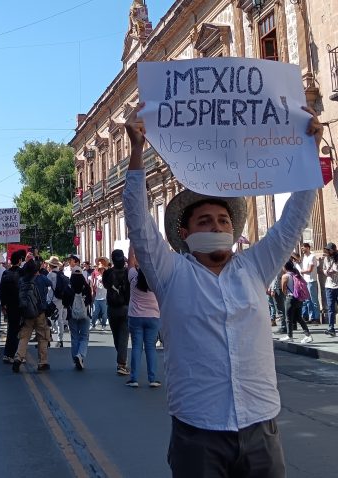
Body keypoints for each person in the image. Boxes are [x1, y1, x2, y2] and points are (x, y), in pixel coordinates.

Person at [124, 102, 323, 476]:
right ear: (185, 234)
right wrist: (136, 150)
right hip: (198, 431)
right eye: (205, 221)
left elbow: (293, 220)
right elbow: (137, 221)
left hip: (261, 426)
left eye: (222, 220)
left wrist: (308, 151)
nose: (216, 227)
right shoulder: (171, 274)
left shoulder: (254, 267)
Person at [125, 249, 161, 388]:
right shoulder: (155, 282)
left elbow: (130, 262)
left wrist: (132, 246)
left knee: (136, 347)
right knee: (150, 348)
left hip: (135, 317)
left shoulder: (133, 278)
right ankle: (152, 378)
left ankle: (134, 378)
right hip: (153, 317)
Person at [12, 259, 50, 372]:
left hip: (26, 313)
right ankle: (42, 362)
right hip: (40, 312)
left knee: (24, 337)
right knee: (42, 337)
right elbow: (51, 286)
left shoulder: (22, 280)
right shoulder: (42, 279)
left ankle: (18, 358)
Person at [102, 249, 130, 376]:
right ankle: (122, 363)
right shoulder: (128, 273)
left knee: (116, 336)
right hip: (125, 306)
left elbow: (106, 286)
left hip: (112, 307)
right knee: (124, 336)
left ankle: (121, 359)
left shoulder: (107, 273)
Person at [62, 266, 92, 370]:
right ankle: (80, 355)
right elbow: (90, 300)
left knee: (74, 337)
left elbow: (64, 302)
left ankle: (75, 358)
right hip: (85, 314)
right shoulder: (86, 286)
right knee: (84, 336)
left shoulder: (69, 287)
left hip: (72, 315)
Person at [279, 260, 313, 344]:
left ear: (285, 267)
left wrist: (287, 295)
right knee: (298, 317)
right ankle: (308, 335)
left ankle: (289, 336)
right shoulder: (296, 274)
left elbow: (283, 289)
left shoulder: (285, 276)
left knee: (288, 318)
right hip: (299, 298)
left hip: (290, 298)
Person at [0, 249, 25, 363]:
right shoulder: (22, 273)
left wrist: (3, 305)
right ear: (19, 260)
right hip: (20, 305)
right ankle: (14, 354)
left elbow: (2, 290)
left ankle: (8, 354)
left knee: (11, 329)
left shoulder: (6, 273)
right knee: (18, 330)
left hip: (9, 305)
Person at [46, 256, 68, 348]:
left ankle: (47, 339)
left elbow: (47, 287)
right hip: (61, 299)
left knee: (47, 320)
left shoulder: (50, 275)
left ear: (50, 265)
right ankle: (60, 340)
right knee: (60, 320)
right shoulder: (61, 274)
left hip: (51, 300)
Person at [299, 243, 320, 324]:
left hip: (311, 281)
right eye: (301, 248)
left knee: (314, 300)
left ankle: (317, 318)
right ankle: (311, 317)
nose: (302, 249)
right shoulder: (304, 257)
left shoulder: (312, 256)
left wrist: (301, 271)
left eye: (303, 248)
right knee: (308, 300)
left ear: (308, 248)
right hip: (305, 280)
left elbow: (310, 269)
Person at [89, 258, 109, 330]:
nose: (101, 270)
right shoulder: (96, 277)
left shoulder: (107, 277)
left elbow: (108, 286)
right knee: (94, 312)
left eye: (102, 269)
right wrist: (92, 291)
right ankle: (93, 324)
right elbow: (93, 285)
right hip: (97, 297)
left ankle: (103, 325)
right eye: (100, 269)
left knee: (104, 313)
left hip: (104, 297)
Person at [324, 242, 338, 337]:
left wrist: (335, 271)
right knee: (330, 308)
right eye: (327, 249)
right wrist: (326, 272)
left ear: (333, 250)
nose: (328, 251)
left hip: (337, 285)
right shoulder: (326, 258)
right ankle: (331, 328)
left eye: (329, 249)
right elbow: (324, 269)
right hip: (329, 286)